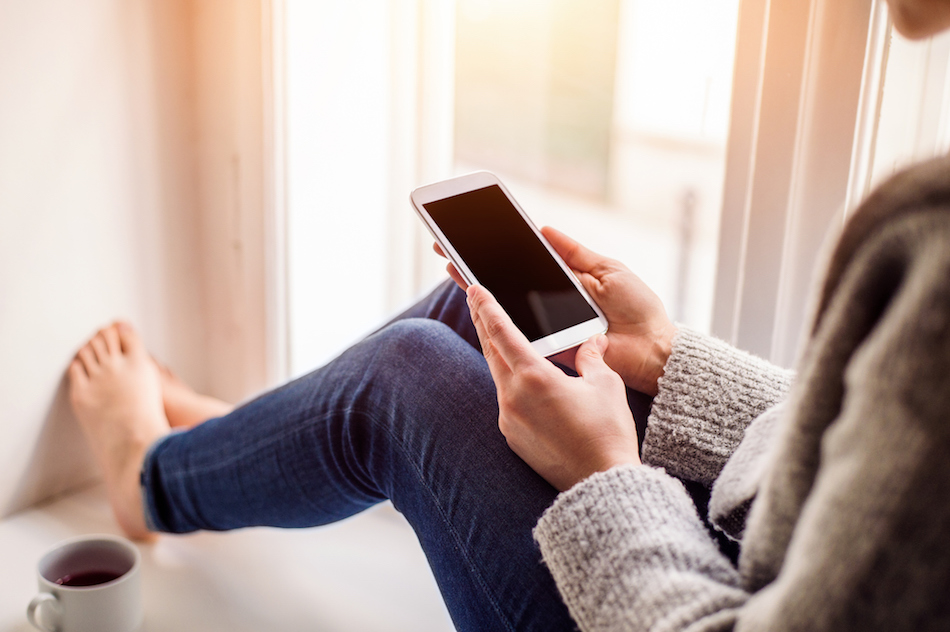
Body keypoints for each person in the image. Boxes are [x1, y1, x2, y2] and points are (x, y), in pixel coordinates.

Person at [68, 2, 950, 630]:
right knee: (476, 307)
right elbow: (857, 442)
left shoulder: (935, 244)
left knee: (400, 378)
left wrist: (604, 472)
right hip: (759, 541)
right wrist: (675, 360)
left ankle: (150, 482)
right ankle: (249, 448)